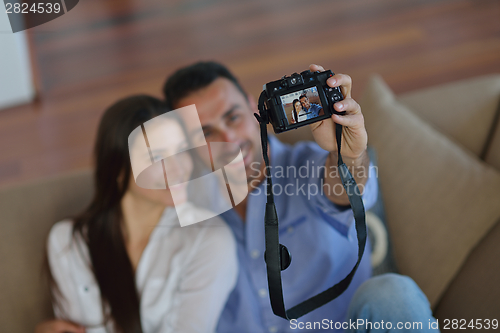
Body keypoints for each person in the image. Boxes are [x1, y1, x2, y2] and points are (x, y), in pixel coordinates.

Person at [163, 61, 439, 332]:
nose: (229, 140)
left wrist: (348, 155)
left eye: (233, 117)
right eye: (206, 132)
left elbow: (342, 190)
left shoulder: (309, 166)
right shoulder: (182, 212)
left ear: (252, 106)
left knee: (392, 293)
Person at [35, 95, 238, 333]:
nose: (178, 168)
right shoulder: (69, 243)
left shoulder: (209, 241)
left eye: (182, 150)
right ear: (119, 169)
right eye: (158, 157)